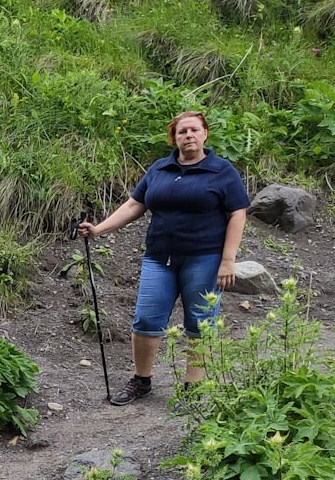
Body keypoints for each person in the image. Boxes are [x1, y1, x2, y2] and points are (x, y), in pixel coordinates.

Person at [77, 110, 249, 405]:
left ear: (205, 133)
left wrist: (228, 260)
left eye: (194, 130)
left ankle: (193, 387)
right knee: (146, 319)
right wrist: (98, 230)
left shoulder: (222, 171)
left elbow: (237, 213)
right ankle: (142, 381)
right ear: (175, 138)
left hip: (205, 258)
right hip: (159, 257)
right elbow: (134, 205)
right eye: (182, 132)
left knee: (200, 322)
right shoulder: (160, 168)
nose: (189, 136)